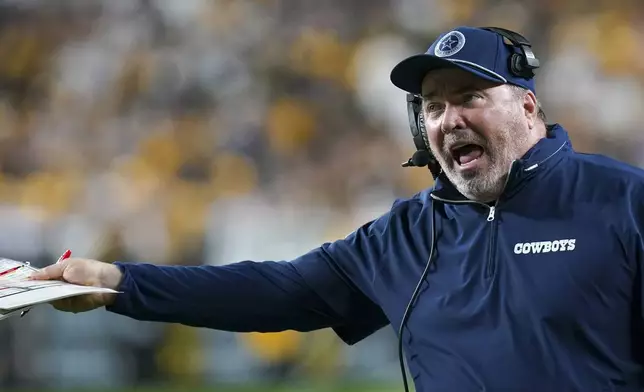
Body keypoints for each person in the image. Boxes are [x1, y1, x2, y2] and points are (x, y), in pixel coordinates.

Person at [31, 25, 644, 392]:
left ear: (529, 109)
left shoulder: (622, 201)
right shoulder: (407, 234)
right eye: (432, 105)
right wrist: (119, 282)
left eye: (472, 96)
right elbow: (281, 291)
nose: (449, 118)